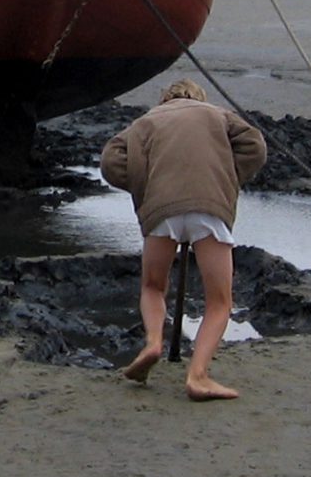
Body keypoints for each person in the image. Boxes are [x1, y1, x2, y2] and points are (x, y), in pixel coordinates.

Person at [98, 79, 267, 401]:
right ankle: (198, 375)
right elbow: (255, 146)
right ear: (200, 97)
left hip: (161, 211)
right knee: (219, 302)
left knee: (153, 287)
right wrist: (227, 176)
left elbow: (110, 161)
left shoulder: (147, 121)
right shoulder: (218, 114)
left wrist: (144, 185)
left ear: (165, 99)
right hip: (209, 209)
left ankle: (152, 343)